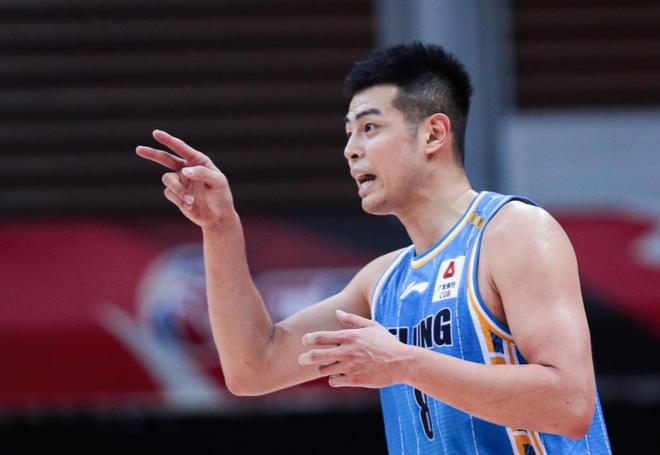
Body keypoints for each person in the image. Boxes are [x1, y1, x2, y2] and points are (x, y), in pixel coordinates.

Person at [136, 42, 611, 454]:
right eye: (348, 132)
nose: (350, 149)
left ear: (433, 133)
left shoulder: (514, 232)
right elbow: (252, 368)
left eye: (369, 128)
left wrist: (405, 363)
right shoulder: (381, 281)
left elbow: (569, 404)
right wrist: (220, 228)